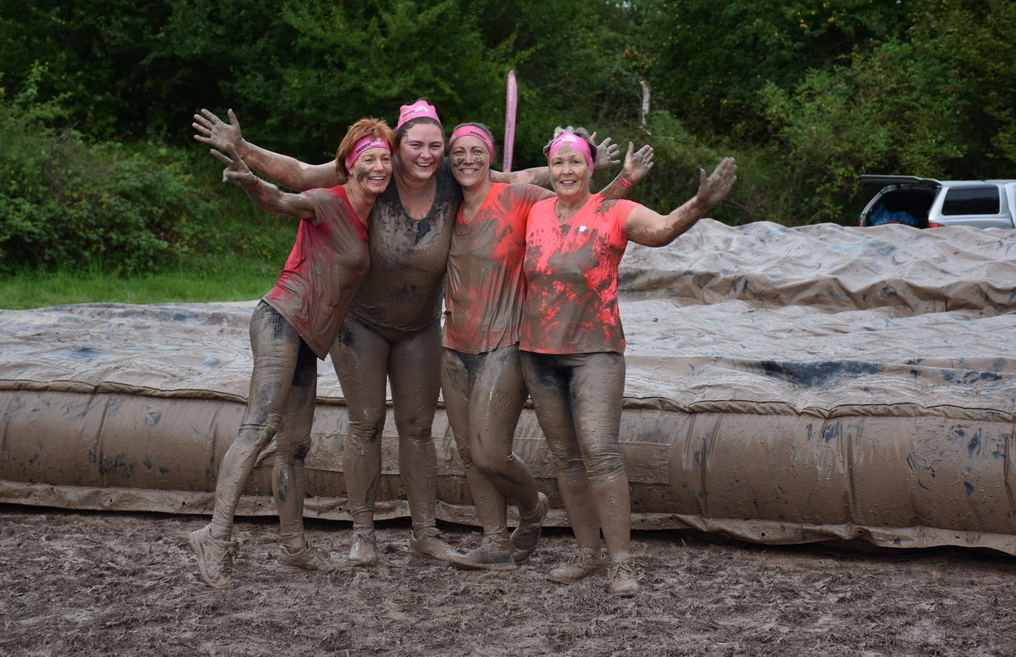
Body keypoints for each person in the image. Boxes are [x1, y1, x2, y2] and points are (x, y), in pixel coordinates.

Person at [192, 102, 623, 567]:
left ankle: (425, 532)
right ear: (396, 147)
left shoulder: (453, 182)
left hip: (420, 328)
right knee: (366, 423)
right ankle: (363, 536)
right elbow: (297, 174)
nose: (426, 154)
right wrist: (242, 148)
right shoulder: (375, 175)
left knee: (418, 430)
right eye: (415, 145)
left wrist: (581, 158)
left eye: (435, 146)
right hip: (361, 325)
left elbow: (522, 177)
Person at [519, 127, 737, 597]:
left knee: (599, 452)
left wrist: (698, 205)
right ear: (549, 167)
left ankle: (621, 564)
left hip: (594, 352)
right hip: (537, 353)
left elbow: (660, 231)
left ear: (592, 167)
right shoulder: (534, 210)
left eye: (576, 161)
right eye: (559, 162)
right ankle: (587, 557)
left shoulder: (614, 211)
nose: (566, 170)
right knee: (565, 459)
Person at [188, 118, 395, 588]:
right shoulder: (329, 201)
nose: (379, 167)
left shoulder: (370, 216)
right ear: (348, 166)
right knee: (259, 428)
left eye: (385, 158)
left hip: (309, 339)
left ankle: (293, 547)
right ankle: (215, 536)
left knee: (294, 445)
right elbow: (283, 198)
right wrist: (250, 180)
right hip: (281, 319)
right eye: (369, 160)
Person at [442, 123, 653, 571]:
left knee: (500, 451)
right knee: (475, 454)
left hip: (523, 339)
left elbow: (582, 211)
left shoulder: (518, 197)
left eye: (477, 152)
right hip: (460, 341)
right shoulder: (444, 203)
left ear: (492, 156)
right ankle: (501, 543)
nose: (467, 160)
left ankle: (544, 515)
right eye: (457, 152)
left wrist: (622, 180)